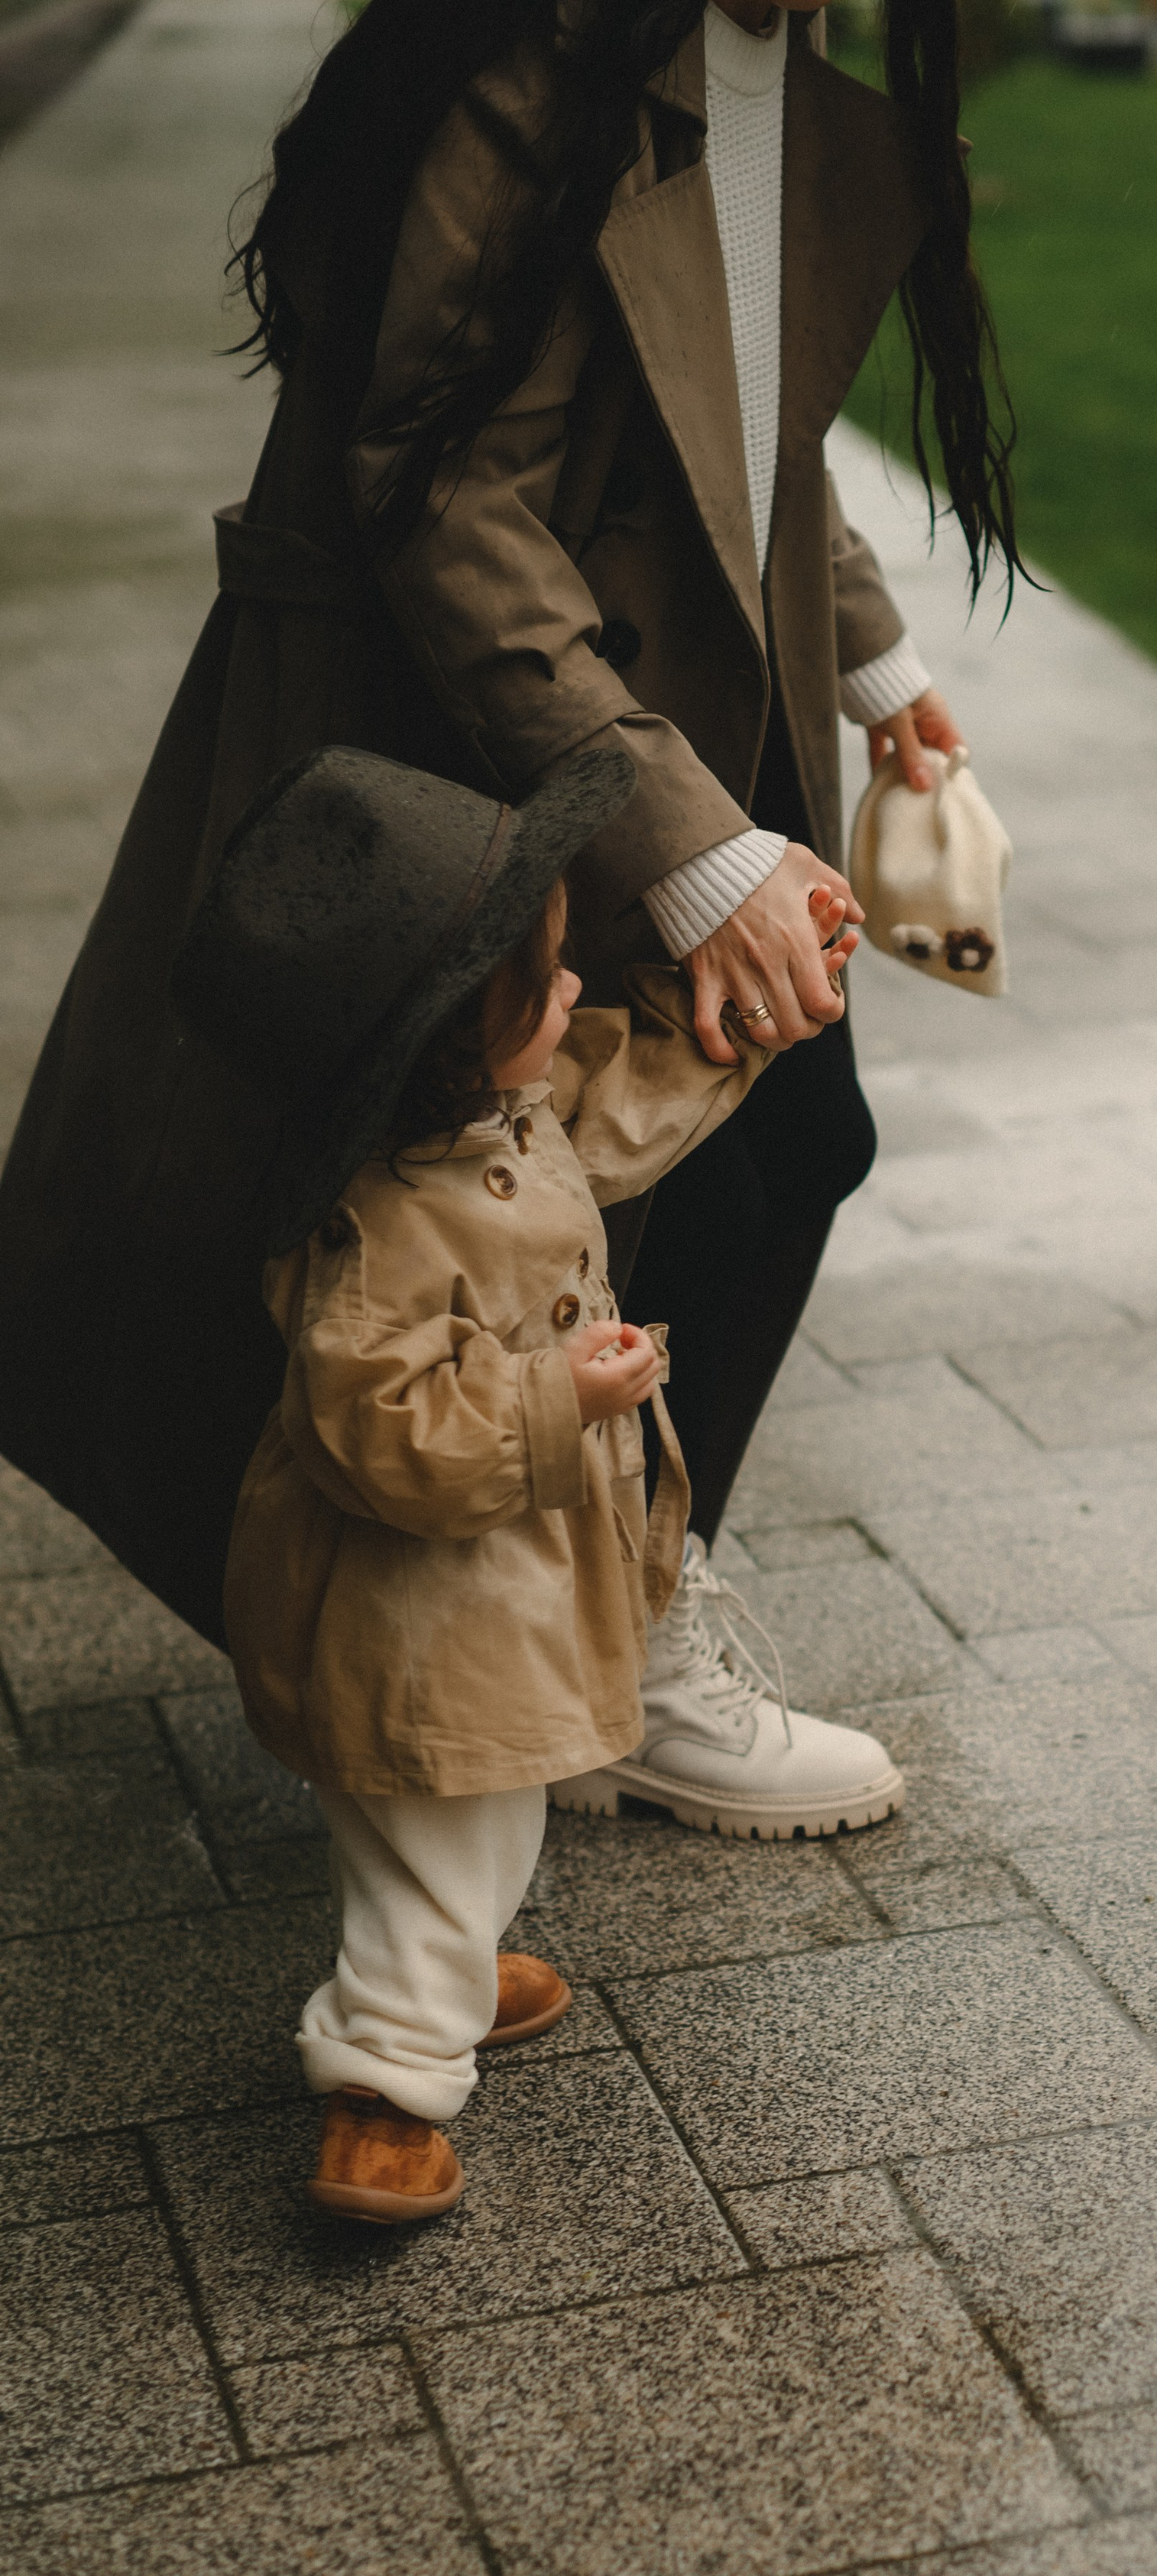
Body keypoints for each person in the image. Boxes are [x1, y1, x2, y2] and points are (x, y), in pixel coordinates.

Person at [0, 0, 1021, 1842]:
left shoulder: (777, 78)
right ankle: (577, 1664)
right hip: (491, 745)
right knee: (518, 1201)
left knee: (765, 1149)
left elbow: (738, 433)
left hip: (675, 718)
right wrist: (694, 859)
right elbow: (444, 481)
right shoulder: (540, 69)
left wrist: (870, 658)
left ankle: (595, 1628)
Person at [173, 740, 827, 2221]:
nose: (573, 1003)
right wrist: (550, 1399)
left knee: (470, 1815)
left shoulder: (494, 1116)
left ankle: (444, 1973)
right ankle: (386, 2086)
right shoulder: (374, 1236)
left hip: (488, 1600)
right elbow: (377, 1423)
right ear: (436, 1053)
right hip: (415, 1613)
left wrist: (738, 1028)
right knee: (435, 1824)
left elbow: (611, 1100)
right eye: (541, 989)